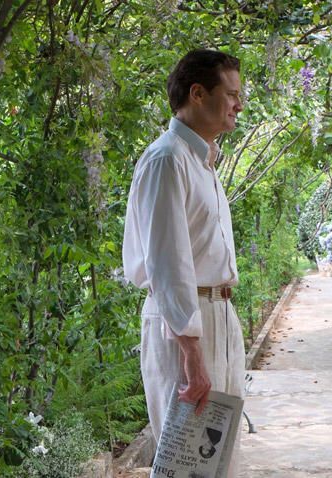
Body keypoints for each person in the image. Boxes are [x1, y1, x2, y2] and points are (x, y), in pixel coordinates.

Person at [122, 49, 245, 476]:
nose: (239, 104)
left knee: (217, 462)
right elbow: (167, 263)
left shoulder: (202, 161)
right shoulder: (167, 159)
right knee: (187, 463)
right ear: (197, 93)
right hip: (186, 325)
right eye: (230, 94)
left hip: (217, 316)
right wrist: (192, 352)